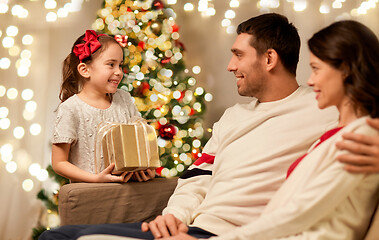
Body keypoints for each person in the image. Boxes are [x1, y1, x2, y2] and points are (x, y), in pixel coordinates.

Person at [39, 14, 379, 240]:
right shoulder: (232, 116)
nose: (230, 66)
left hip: (226, 235)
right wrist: (172, 217)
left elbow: (363, 118)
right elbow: (196, 179)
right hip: (187, 227)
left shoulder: (323, 107)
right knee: (58, 236)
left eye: (238, 55)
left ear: (269, 59)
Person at [51, 30, 155, 183]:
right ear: (85, 70)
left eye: (120, 65)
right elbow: (59, 163)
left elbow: (139, 142)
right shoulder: (71, 108)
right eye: (111, 64)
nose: (119, 72)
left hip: (127, 193)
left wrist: (146, 169)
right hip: (91, 195)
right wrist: (95, 179)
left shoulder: (124, 99)